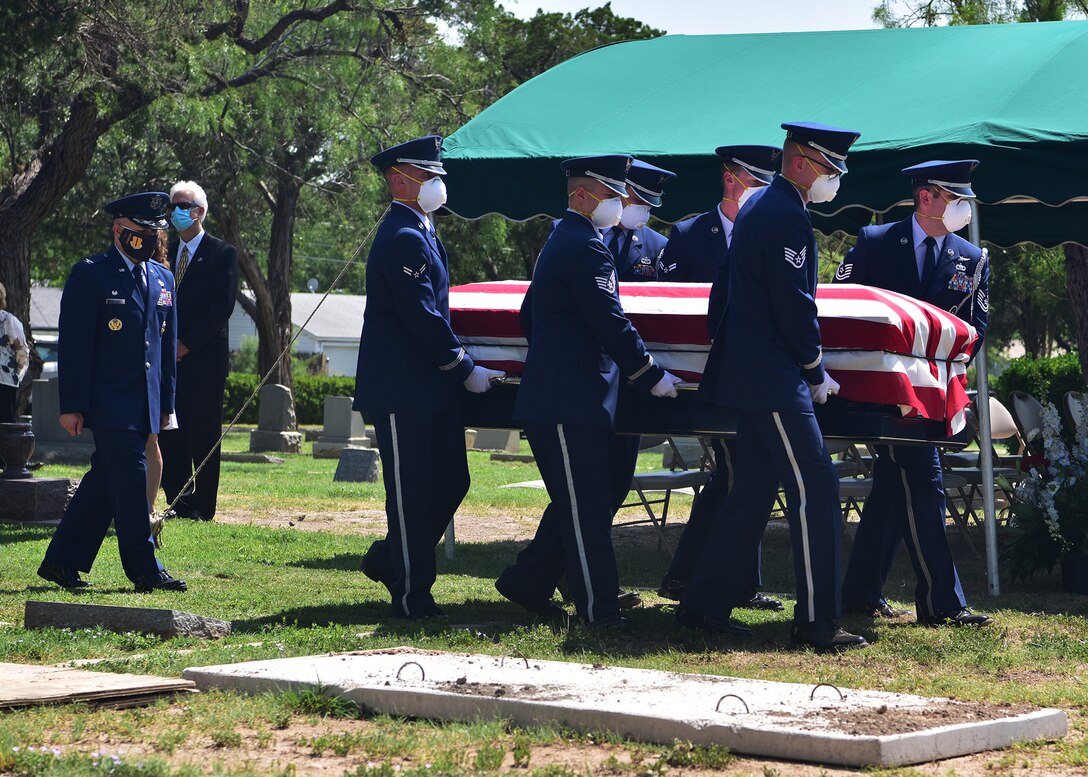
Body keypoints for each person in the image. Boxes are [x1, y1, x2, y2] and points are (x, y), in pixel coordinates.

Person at [677, 123, 867, 651]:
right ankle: (816, 622)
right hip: (774, 376)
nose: (834, 180)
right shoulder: (785, 213)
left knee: (753, 491)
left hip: (750, 371)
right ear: (802, 162)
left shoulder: (757, 205)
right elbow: (793, 304)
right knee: (816, 489)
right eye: (830, 169)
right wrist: (813, 367)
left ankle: (703, 604)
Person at [495, 154, 682, 628]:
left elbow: (530, 316)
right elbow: (610, 322)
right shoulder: (584, 245)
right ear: (581, 194)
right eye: (612, 194)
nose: (620, 203)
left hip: (571, 393)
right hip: (567, 399)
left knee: (586, 503)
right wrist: (649, 372)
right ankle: (600, 611)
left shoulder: (567, 239)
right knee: (586, 511)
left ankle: (530, 580)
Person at [834, 160, 994, 628]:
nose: (964, 207)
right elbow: (844, 308)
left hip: (935, 394)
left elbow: (977, 328)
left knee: (892, 486)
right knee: (925, 484)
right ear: (927, 197)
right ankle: (942, 602)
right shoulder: (875, 242)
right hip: (885, 394)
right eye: (955, 197)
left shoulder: (972, 257)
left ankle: (860, 593)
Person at [354, 135, 503, 620]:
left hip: (428, 387)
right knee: (411, 492)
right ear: (400, 180)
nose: (438, 182)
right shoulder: (403, 235)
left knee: (452, 481)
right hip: (403, 389)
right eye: (428, 174)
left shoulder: (422, 231)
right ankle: (412, 595)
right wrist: (464, 366)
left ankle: (390, 559)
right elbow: (421, 315)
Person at [655, 145, 783, 613]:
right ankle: (712, 579)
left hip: (751, 374)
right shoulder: (689, 234)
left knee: (736, 475)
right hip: (704, 381)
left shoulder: (767, 229)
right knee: (740, 472)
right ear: (731, 179)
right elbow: (665, 306)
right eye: (758, 182)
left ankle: (704, 577)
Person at [38, 191, 186, 592]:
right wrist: (72, 405)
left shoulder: (162, 278)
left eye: (156, 231)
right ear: (118, 230)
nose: (151, 239)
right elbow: (75, 344)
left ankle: (61, 562)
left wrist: (166, 405)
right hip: (109, 402)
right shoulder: (92, 273)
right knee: (132, 481)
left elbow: (165, 348)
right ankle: (145, 568)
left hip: (145, 402)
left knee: (104, 481)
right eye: (142, 231)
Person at [158, 181, 239, 522]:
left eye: (182, 205)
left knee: (204, 433)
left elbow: (222, 308)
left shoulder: (222, 254)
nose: (175, 211)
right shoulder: (161, 254)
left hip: (204, 361)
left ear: (200, 211)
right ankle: (179, 500)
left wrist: (185, 343)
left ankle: (203, 505)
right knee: (170, 432)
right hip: (167, 362)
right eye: (172, 205)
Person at [0, 281, 30, 423]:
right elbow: (22, 352)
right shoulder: (8, 320)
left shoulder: (7, 320)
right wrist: (18, 372)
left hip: (4, 382)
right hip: (5, 380)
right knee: (5, 429)